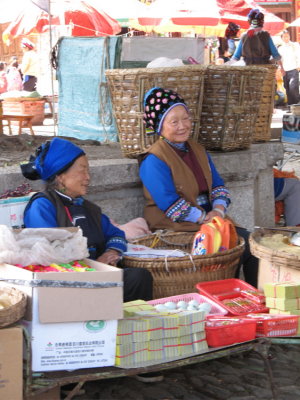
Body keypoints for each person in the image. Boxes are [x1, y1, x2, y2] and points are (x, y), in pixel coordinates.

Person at [139, 87, 259, 287]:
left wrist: (219, 209)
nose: (182, 126)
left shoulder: (197, 149)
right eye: (174, 121)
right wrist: (205, 218)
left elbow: (218, 185)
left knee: (250, 244)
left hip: (210, 220)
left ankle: (251, 299)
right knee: (235, 246)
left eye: (185, 118)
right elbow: (169, 204)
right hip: (178, 226)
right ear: (159, 127)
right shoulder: (153, 159)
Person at [21, 137, 153, 302]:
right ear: (60, 176)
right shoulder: (43, 206)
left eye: (88, 171)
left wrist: (110, 253)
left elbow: (116, 234)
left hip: (96, 276)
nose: (88, 177)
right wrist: (90, 267)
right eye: (82, 170)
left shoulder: (87, 208)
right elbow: (48, 250)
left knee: (139, 277)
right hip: (66, 283)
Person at [277, 30, 300, 106]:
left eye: (287, 36)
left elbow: (298, 55)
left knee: (293, 87)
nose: (286, 38)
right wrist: (281, 69)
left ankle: (296, 104)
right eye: (284, 36)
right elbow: (279, 60)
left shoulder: (295, 45)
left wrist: (298, 66)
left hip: (294, 69)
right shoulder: (280, 48)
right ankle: (290, 106)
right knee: (287, 88)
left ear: (289, 36)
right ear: (282, 38)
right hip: (285, 71)